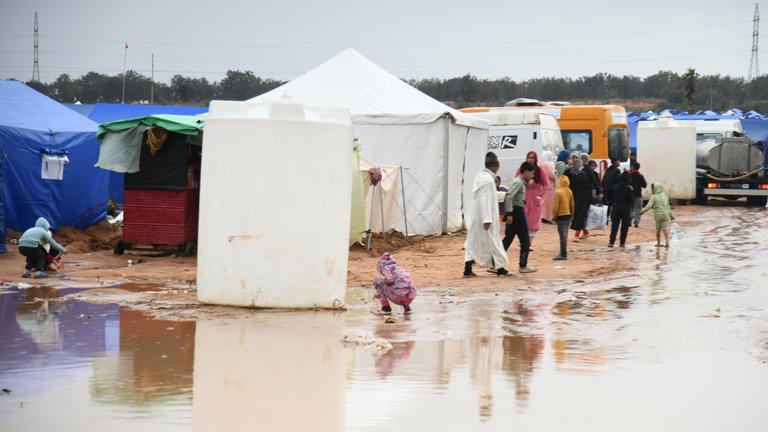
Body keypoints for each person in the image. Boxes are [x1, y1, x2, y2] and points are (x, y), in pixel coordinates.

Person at [464, 152, 510, 277]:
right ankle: (500, 268)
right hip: (486, 219)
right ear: (495, 167)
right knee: (493, 242)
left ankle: (467, 269)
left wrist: (504, 195)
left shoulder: (480, 178)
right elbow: (485, 200)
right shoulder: (488, 181)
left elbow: (491, 196)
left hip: (476, 217)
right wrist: (487, 219)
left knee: (473, 242)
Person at [502, 162, 537, 273]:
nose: (532, 176)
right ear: (526, 171)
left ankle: (495, 263)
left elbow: (513, 197)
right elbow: (509, 197)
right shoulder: (518, 182)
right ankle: (523, 265)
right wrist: (510, 214)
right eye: (531, 173)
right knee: (525, 241)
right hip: (517, 213)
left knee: (508, 239)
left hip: (515, 212)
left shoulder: (520, 182)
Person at [515, 151, 549, 238]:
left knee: (534, 219)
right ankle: (524, 240)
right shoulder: (521, 169)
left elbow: (546, 183)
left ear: (535, 159)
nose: (530, 159)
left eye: (532, 158)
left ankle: (529, 241)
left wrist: (540, 195)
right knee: (524, 217)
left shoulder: (539, 170)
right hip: (524, 196)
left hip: (535, 197)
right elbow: (516, 180)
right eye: (529, 157)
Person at [565, 156, 592, 241]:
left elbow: (592, 182)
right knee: (578, 214)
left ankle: (577, 235)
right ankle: (586, 232)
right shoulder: (569, 172)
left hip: (585, 197)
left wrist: (598, 192)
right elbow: (564, 181)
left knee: (580, 214)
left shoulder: (583, 172)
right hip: (575, 196)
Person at [640, 183, 675, 248]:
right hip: (665, 214)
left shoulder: (654, 197)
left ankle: (658, 243)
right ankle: (667, 243)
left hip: (658, 215)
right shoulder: (665, 196)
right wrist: (672, 217)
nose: (652, 190)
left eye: (653, 189)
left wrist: (641, 212)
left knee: (658, 229)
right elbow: (668, 207)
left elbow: (648, 206)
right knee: (665, 228)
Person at [551, 175, 575, 260]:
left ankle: (563, 254)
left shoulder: (558, 192)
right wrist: (572, 214)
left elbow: (555, 207)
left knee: (562, 236)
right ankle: (563, 252)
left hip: (560, 216)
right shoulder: (569, 191)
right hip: (568, 215)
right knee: (565, 235)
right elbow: (572, 205)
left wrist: (554, 217)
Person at [609, 171, 634, 248]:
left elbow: (612, 197)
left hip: (616, 208)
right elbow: (631, 200)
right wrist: (631, 191)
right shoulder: (628, 188)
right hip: (625, 209)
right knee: (624, 227)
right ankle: (622, 243)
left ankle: (611, 242)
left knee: (614, 226)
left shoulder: (615, 187)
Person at [540, 151, 557, 224]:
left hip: (548, 186)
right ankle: (546, 217)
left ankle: (545, 217)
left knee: (546, 202)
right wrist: (556, 177)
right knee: (548, 203)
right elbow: (551, 175)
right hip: (548, 186)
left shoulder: (544, 163)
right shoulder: (546, 164)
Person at [629, 161, 648, 227]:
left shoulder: (629, 175)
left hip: (630, 195)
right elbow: (645, 185)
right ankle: (636, 222)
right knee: (638, 208)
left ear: (633, 167)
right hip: (638, 195)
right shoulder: (640, 176)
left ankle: (629, 218)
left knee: (631, 207)